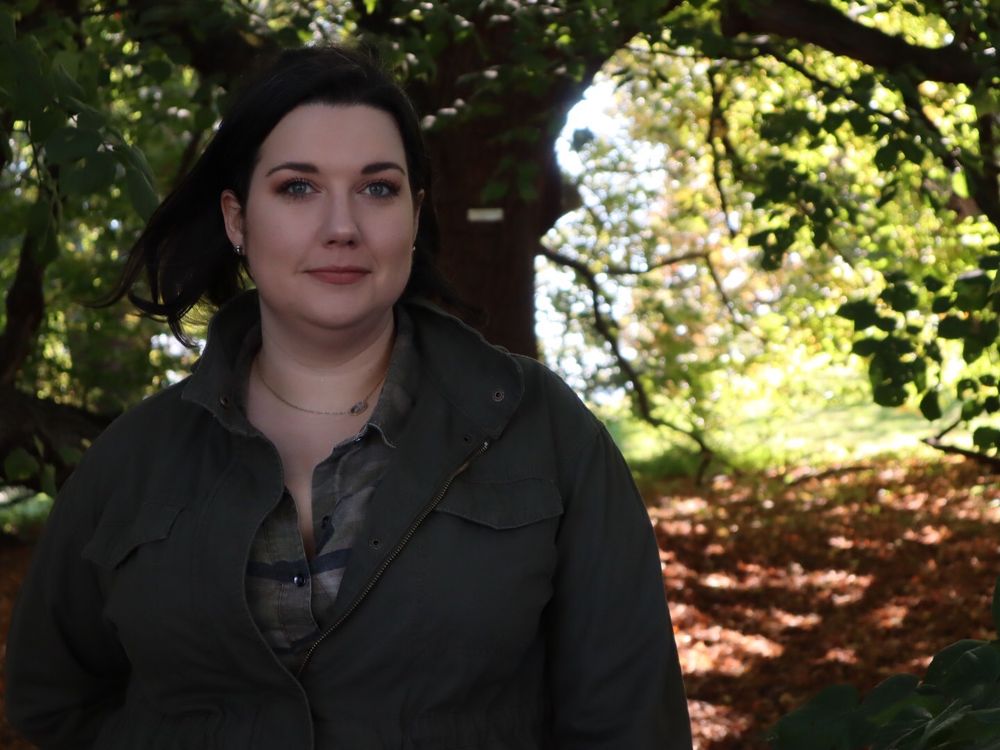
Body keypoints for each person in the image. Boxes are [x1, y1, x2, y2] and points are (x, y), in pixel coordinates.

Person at [5, 43, 692, 749]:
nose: (341, 227)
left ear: (415, 216)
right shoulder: (133, 460)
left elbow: (632, 724)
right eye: (298, 187)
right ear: (237, 219)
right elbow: (54, 701)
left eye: (377, 189)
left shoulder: (543, 432)